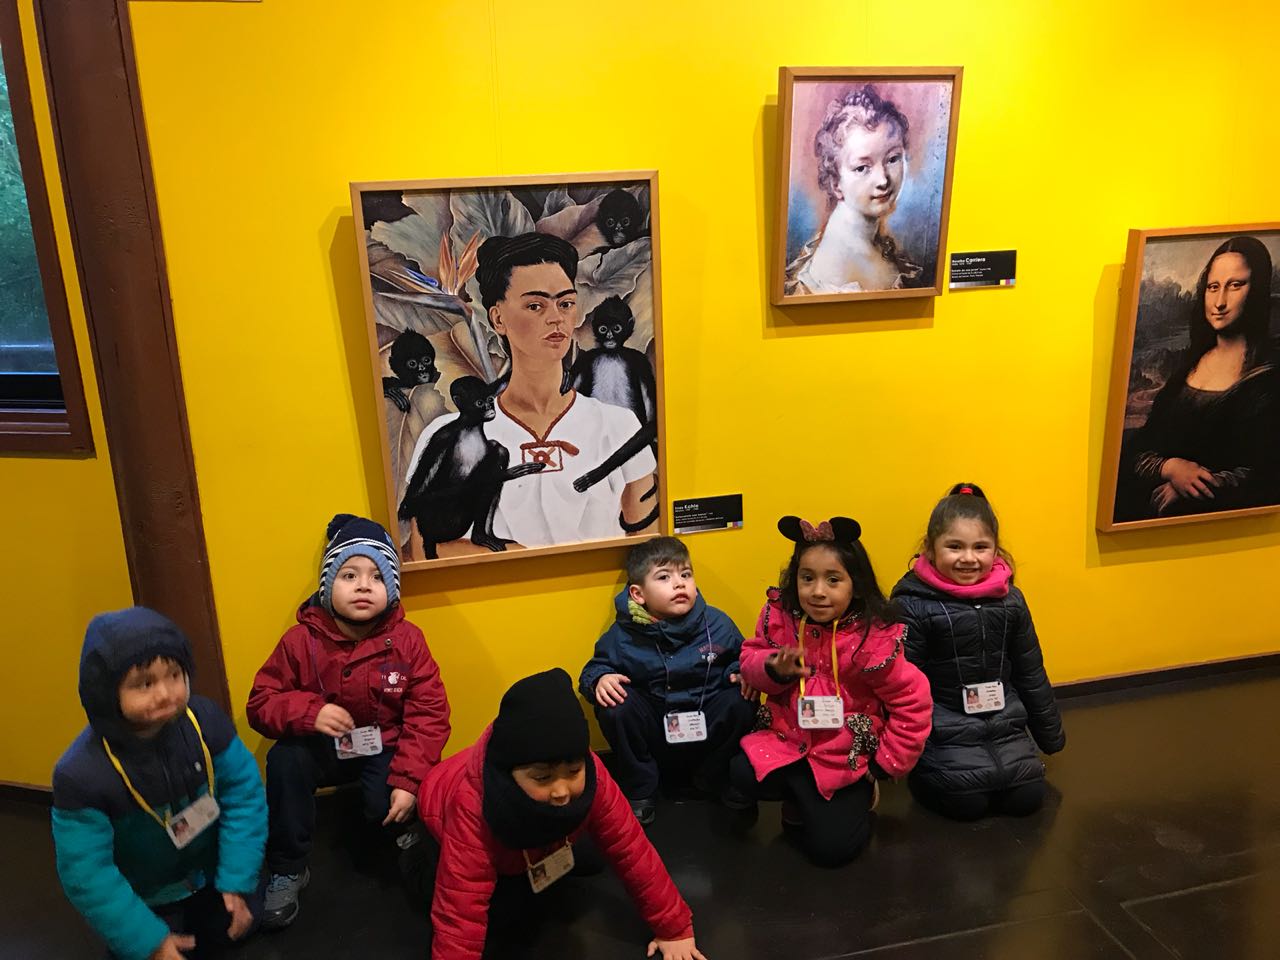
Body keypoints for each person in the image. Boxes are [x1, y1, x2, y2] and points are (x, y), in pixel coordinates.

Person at [414, 669, 710, 960]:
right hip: (441, 824)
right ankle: (413, 856)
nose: (561, 791)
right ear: (509, 772)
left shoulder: (590, 769)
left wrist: (674, 929)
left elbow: (631, 848)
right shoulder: (472, 804)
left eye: (573, 772)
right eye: (543, 778)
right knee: (503, 914)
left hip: (535, 827)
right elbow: (460, 909)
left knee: (592, 860)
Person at [247, 513, 451, 928]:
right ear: (328, 584)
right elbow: (262, 702)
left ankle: (408, 837)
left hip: (384, 744)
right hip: (321, 749)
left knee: (390, 799)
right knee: (285, 761)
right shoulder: (299, 641)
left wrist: (409, 781)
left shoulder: (408, 641)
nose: (363, 585)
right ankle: (288, 867)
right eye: (349, 575)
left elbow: (429, 712)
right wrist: (310, 712)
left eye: (377, 577)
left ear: (391, 589)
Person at [404, 232, 657, 558]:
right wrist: (515, 557)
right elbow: (424, 552)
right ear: (498, 318)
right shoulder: (447, 435)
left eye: (565, 304)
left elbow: (647, 544)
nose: (556, 318)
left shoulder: (619, 426)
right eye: (535, 305)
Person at [52, 608, 267, 960]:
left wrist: (237, 877)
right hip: (147, 896)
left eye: (175, 675)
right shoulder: (81, 775)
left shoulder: (205, 721)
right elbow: (87, 874)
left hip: (212, 873)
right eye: (145, 683)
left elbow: (244, 795)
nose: (166, 694)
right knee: (144, 948)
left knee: (237, 926)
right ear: (106, 692)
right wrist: (145, 939)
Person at [732, 516, 932, 867]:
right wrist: (773, 668)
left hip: (843, 757)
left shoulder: (873, 636)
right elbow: (750, 657)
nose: (818, 591)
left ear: (856, 584)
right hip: (785, 740)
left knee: (832, 851)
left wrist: (884, 763)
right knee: (738, 774)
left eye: (833, 579)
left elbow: (912, 701)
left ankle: (857, 796)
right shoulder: (779, 616)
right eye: (807, 578)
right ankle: (799, 800)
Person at [892, 483, 1065, 821]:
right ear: (930, 549)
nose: (968, 558)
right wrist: (901, 756)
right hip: (944, 727)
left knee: (1027, 799)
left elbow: (1029, 671)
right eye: (954, 546)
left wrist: (1051, 737)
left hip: (1003, 721)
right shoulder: (912, 604)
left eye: (980, 547)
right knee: (967, 804)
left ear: (996, 551)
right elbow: (902, 686)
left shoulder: (1011, 600)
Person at [579, 537, 757, 825]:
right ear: (638, 594)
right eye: (664, 577)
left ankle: (712, 777)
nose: (679, 584)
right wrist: (600, 679)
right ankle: (641, 787)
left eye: (685, 574)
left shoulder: (717, 623)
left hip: (704, 723)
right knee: (616, 705)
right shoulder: (623, 634)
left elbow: (742, 657)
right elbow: (594, 669)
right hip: (656, 727)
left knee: (742, 698)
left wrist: (739, 671)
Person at [1125, 236, 1280, 519]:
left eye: (1235, 285)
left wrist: (1191, 488)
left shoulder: (1269, 377)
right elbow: (1139, 449)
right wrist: (1171, 468)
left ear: (1256, 289)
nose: (1220, 302)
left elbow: (1265, 471)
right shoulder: (1187, 368)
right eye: (1213, 287)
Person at [784, 85, 922, 296]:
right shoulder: (837, 266)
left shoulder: (870, 239)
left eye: (892, 159)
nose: (883, 180)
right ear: (835, 182)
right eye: (862, 168)